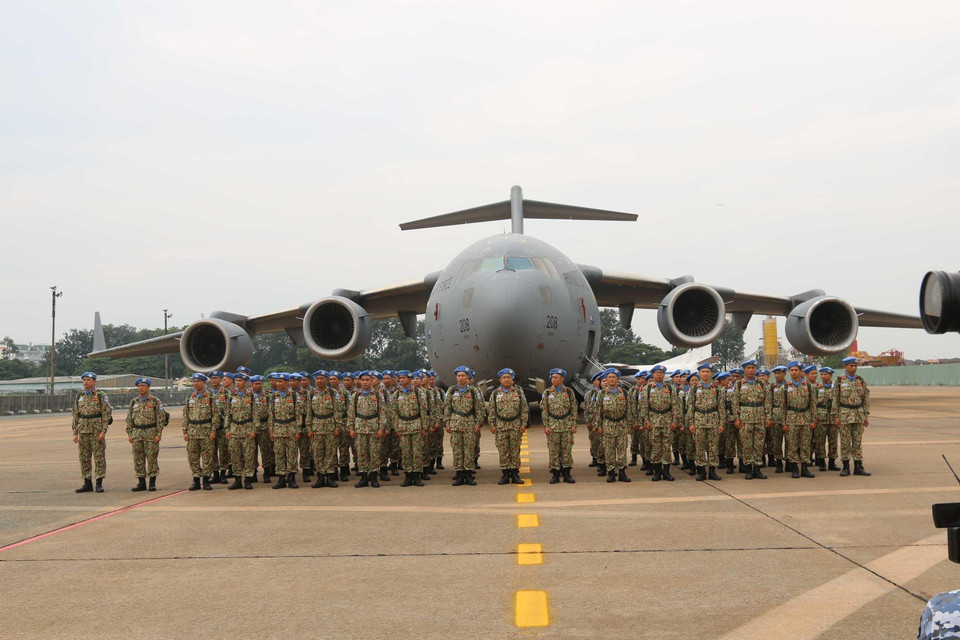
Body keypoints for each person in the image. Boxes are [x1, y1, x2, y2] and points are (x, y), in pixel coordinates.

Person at [488, 368, 530, 485]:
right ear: (500, 380)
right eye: (504, 378)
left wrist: (523, 424)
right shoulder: (495, 393)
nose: (506, 380)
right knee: (503, 451)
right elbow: (491, 410)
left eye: (509, 378)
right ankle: (505, 474)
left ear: (512, 380)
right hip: (501, 426)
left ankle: (515, 473)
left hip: (515, 426)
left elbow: (524, 409)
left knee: (515, 450)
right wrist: (492, 425)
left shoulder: (518, 392)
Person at [126, 377, 168, 492]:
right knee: (138, 459)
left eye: (143, 386)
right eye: (139, 386)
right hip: (137, 433)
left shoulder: (155, 401)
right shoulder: (134, 402)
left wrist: (158, 434)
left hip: (151, 433)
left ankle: (152, 483)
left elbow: (160, 419)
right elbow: (129, 419)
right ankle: (141, 482)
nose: (140, 388)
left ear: (148, 387)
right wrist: (129, 433)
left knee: (151, 458)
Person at [72, 371, 112, 493]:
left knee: (99, 457)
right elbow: (75, 414)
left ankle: (99, 482)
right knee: (84, 457)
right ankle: (87, 482)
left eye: (89, 380)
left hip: (96, 430)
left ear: (94, 382)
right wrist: (75, 432)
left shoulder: (100, 395)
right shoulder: (79, 396)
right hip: (83, 429)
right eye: (84, 380)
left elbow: (106, 414)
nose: (86, 382)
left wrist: (103, 431)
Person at [639, 364, 680, 482]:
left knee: (667, 447)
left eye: (661, 373)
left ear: (664, 375)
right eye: (656, 373)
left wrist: (675, 420)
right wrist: (646, 421)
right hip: (653, 421)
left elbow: (675, 406)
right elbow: (644, 406)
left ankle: (666, 472)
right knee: (656, 447)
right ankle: (657, 472)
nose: (659, 375)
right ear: (653, 375)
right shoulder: (647, 388)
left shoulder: (670, 388)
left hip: (667, 421)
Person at [444, 365, 483, 486]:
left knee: (469, 450)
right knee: (457, 450)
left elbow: (479, 408)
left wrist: (478, 423)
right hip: (455, 424)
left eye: (463, 376)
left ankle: (468, 474)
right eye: (458, 376)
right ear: (456, 378)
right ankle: (459, 474)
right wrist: (447, 422)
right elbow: (447, 407)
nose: (461, 378)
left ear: (467, 377)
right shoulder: (451, 390)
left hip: (469, 424)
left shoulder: (473, 391)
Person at [731, 360, 769, 480]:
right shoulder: (739, 384)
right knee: (746, 444)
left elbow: (767, 401)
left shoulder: (761, 383)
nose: (751, 370)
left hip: (760, 417)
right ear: (744, 370)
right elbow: (735, 402)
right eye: (748, 368)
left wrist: (768, 416)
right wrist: (736, 418)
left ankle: (757, 469)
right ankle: (748, 469)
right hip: (745, 417)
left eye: (753, 368)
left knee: (759, 444)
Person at [834, 356, 872, 476]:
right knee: (845, 442)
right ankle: (845, 467)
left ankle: (858, 466)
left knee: (857, 442)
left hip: (859, 415)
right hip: (844, 414)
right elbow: (835, 399)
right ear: (845, 366)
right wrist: (836, 416)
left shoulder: (860, 380)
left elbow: (865, 398)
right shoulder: (839, 380)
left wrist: (866, 415)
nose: (853, 368)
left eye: (855, 366)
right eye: (851, 366)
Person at [687, 363, 725, 481]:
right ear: (699, 373)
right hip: (699, 420)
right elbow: (690, 406)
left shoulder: (717, 389)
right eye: (703, 371)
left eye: (707, 372)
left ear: (711, 373)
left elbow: (721, 408)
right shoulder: (693, 389)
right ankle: (702, 472)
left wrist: (721, 423)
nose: (705, 374)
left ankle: (712, 471)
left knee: (713, 447)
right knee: (699, 446)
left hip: (713, 420)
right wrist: (691, 423)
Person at [348, 371, 386, 488]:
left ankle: (374, 477)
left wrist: (381, 427)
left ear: (371, 381)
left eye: (367, 380)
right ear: (359, 381)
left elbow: (383, 412)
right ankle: (363, 478)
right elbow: (351, 413)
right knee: (361, 453)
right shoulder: (356, 395)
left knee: (374, 453)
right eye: (362, 380)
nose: (364, 382)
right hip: (360, 428)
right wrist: (351, 428)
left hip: (374, 427)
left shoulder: (378, 395)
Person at [392, 370, 429, 487]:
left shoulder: (418, 393)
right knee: (406, 452)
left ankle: (416, 475)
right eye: (400, 378)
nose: (401, 380)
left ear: (409, 378)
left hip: (416, 425)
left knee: (417, 452)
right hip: (403, 426)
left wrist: (424, 427)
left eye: (403, 378)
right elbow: (394, 413)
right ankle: (408, 476)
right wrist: (396, 428)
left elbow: (423, 410)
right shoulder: (397, 394)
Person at [596, 368, 634, 483]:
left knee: (622, 449)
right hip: (608, 424)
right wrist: (599, 426)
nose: (611, 379)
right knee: (609, 450)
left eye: (613, 377)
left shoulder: (624, 393)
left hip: (621, 424)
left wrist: (629, 425)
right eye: (609, 377)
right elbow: (598, 411)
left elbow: (628, 410)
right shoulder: (602, 393)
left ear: (617, 379)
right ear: (606, 379)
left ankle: (622, 472)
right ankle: (611, 472)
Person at [542, 368, 578, 484]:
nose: (553, 380)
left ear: (562, 379)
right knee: (553, 451)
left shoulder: (569, 392)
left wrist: (573, 424)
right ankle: (555, 474)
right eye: (552, 378)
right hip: (553, 425)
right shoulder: (547, 392)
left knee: (567, 450)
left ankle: (567, 474)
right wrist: (546, 425)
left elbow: (573, 408)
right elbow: (545, 410)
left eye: (556, 378)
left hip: (566, 425)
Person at [782, 361, 817, 479]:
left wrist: (813, 420)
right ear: (789, 372)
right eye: (791, 370)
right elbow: (783, 406)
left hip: (806, 417)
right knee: (792, 444)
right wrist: (784, 422)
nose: (794, 372)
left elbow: (813, 404)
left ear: (801, 371)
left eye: (796, 370)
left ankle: (805, 468)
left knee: (805, 444)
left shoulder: (808, 386)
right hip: (791, 418)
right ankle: (794, 469)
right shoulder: (785, 387)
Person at [307, 370, 341, 488]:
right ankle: (320, 478)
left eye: (322, 378)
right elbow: (309, 413)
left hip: (330, 426)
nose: (319, 381)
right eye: (317, 379)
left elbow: (337, 412)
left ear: (326, 380)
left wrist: (337, 427)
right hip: (316, 427)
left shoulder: (333, 393)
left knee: (331, 452)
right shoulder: (311, 394)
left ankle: (330, 477)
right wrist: (309, 428)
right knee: (318, 453)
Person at [268, 373, 302, 489]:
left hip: (291, 428)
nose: (278, 383)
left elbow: (298, 415)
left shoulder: (294, 396)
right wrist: (271, 430)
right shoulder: (273, 396)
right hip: (278, 429)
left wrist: (298, 430)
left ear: (287, 382)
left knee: (292, 454)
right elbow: (271, 414)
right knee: (279, 454)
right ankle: (281, 479)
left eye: (281, 381)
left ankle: (291, 478)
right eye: (277, 381)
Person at [182, 373, 216, 491]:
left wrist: (213, 430)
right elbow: (186, 415)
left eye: (198, 381)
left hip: (206, 430)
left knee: (207, 457)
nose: (196, 383)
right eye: (194, 381)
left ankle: (206, 480)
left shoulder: (210, 397)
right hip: (192, 431)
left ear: (204, 383)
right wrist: (185, 431)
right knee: (193, 457)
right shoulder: (190, 398)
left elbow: (215, 415)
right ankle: (196, 480)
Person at [225, 372, 257, 490]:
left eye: (240, 381)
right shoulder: (231, 396)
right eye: (236, 381)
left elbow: (256, 414)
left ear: (246, 382)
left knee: (248, 456)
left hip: (247, 428)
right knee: (235, 455)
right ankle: (237, 480)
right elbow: (228, 414)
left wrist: (254, 429)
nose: (238, 383)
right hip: (234, 429)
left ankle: (248, 479)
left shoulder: (251, 396)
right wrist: (227, 429)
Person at [250, 374, 274, 482]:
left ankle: (267, 473)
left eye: (260, 383)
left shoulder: (268, 396)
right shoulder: (248, 396)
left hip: (264, 426)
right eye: (256, 384)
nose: (258, 386)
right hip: (250, 427)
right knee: (251, 451)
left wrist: (270, 428)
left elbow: (271, 413)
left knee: (266, 450)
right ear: (251, 384)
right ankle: (253, 473)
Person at [817, 367, 841, 471]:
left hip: (833, 418)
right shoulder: (816, 387)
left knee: (833, 441)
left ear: (830, 375)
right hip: (821, 418)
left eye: (825, 374)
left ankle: (832, 462)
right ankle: (821, 463)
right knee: (820, 441)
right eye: (821, 374)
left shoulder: (836, 388)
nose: (823, 376)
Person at [766, 366, 788, 472]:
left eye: (779, 373)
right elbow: (768, 402)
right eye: (776, 373)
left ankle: (789, 462)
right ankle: (778, 462)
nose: (777, 375)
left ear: (784, 374)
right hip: (776, 416)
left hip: (788, 416)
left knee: (790, 441)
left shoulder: (789, 386)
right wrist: (769, 417)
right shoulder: (771, 387)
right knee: (777, 441)